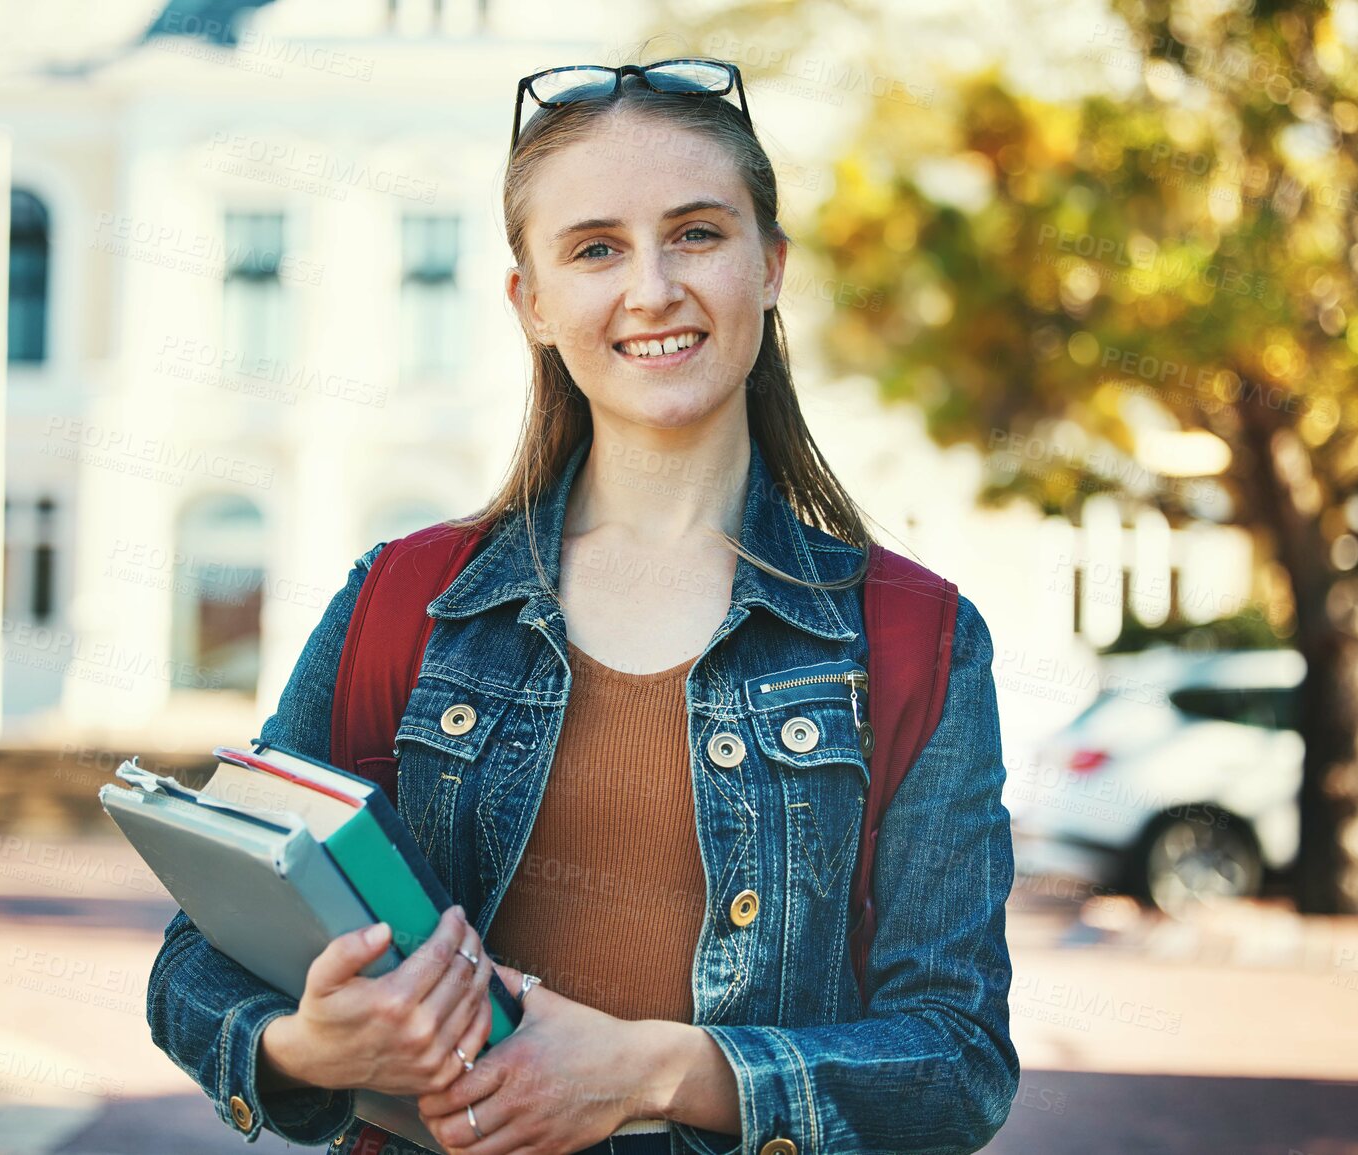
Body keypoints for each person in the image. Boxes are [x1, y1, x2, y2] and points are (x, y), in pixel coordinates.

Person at [147, 56, 1018, 1155]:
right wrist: (306, 1052)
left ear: (771, 266)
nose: (652, 288)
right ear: (534, 304)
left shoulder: (913, 638)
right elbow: (196, 961)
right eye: (596, 248)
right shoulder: (405, 602)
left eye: (698, 233)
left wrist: (650, 1069)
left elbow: (957, 1064)